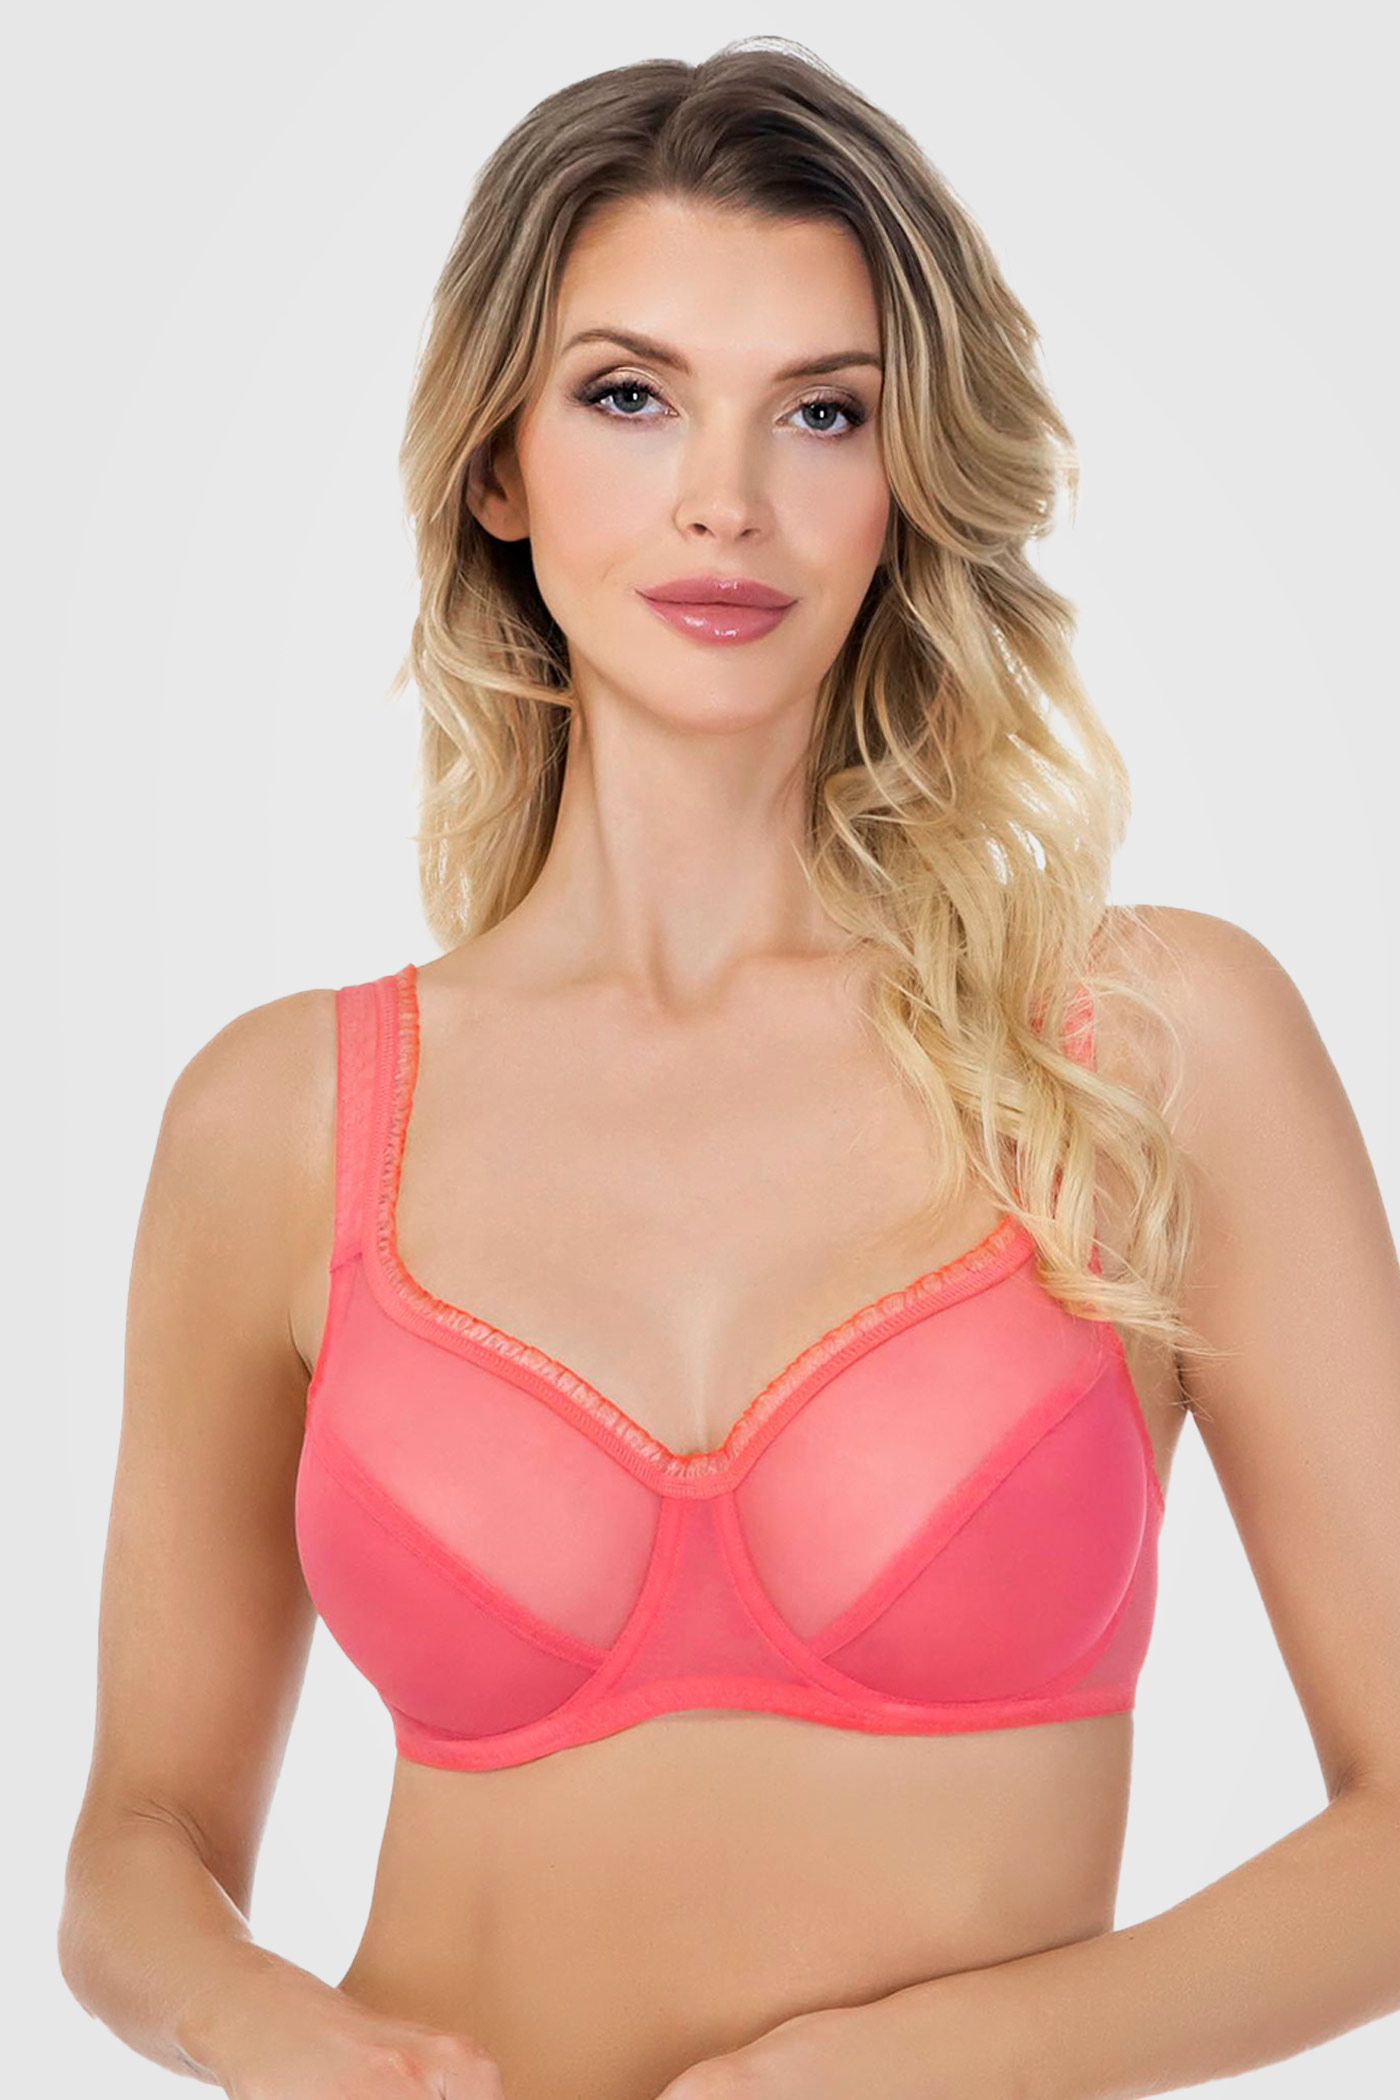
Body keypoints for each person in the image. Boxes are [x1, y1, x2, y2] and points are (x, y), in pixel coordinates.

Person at [57, 36, 1400, 2100]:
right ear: (497, 469)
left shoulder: (1145, 1052)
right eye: (629, 395)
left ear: (906, 477)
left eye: (823, 412)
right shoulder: (284, 1119)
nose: (725, 498)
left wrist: (930, 2069)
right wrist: (269, 2031)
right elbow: (137, 1846)